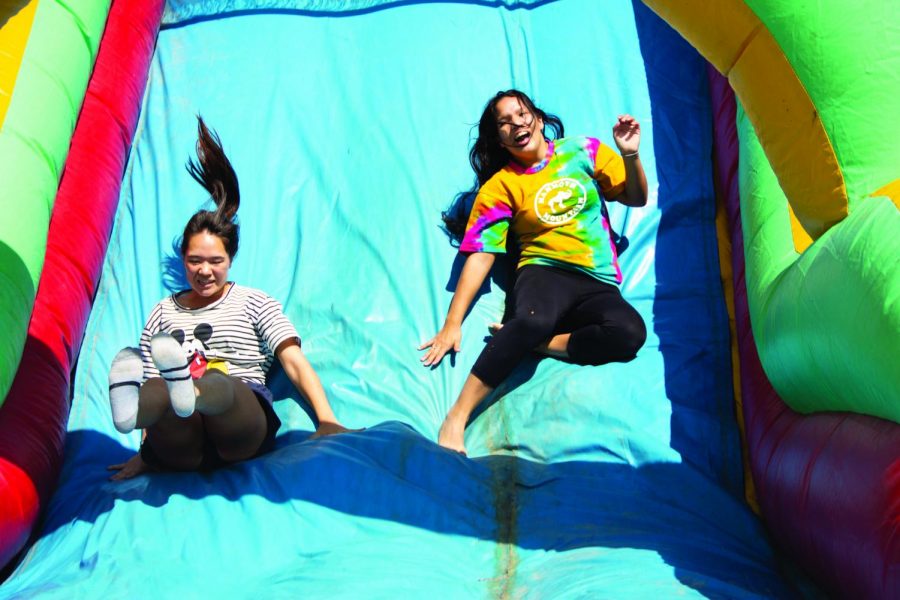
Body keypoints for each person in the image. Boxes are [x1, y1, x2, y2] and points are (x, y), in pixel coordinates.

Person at [107, 117, 352, 480]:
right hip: (181, 446)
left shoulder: (254, 302)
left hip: (239, 429)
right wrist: (148, 455)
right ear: (183, 261)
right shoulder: (163, 311)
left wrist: (327, 420)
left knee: (221, 384)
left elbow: (294, 362)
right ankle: (133, 414)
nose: (204, 271)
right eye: (194, 261)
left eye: (215, 261)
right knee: (159, 389)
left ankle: (193, 393)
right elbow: (149, 381)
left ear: (230, 260)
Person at [419, 90, 648, 454]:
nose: (516, 124)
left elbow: (635, 197)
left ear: (538, 119)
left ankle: (541, 345)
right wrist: (453, 322)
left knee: (630, 332)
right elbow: (481, 255)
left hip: (597, 278)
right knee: (530, 319)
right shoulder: (502, 185)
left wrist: (630, 153)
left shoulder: (582, 151)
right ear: (499, 139)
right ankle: (457, 417)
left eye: (522, 114)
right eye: (504, 123)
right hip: (545, 273)